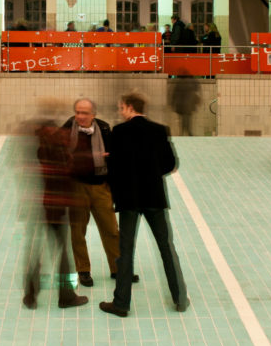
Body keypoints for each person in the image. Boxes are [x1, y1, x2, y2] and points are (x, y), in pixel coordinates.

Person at [100, 91, 188, 317]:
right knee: (166, 248)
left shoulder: (119, 132)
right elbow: (170, 163)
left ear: (129, 107)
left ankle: (121, 304)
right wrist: (151, 173)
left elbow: (114, 168)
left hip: (129, 199)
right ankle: (179, 298)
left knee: (126, 250)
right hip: (154, 197)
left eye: (121, 107)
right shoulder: (159, 131)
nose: (120, 111)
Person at [20, 100, 88, 310]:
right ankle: (66, 296)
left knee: (34, 250)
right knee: (64, 252)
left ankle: (30, 295)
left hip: (38, 202)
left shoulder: (33, 137)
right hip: (57, 203)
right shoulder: (60, 139)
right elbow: (70, 168)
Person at [61, 99, 137, 287]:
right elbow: (58, 154)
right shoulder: (67, 128)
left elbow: (115, 155)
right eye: (78, 112)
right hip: (77, 186)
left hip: (101, 186)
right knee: (78, 232)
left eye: (85, 113)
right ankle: (83, 270)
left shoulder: (104, 130)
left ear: (93, 115)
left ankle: (118, 268)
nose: (80, 116)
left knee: (111, 230)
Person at [170, 72, 200, 136]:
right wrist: (197, 102)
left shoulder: (179, 82)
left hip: (181, 105)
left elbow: (174, 94)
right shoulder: (193, 82)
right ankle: (188, 131)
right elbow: (196, 93)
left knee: (183, 118)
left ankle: (183, 132)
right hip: (189, 104)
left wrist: (172, 103)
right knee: (187, 118)